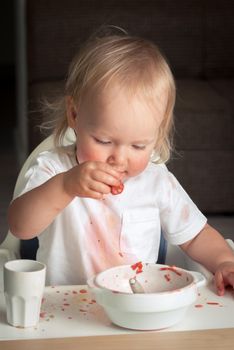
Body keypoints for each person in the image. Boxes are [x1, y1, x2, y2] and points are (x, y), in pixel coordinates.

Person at [8, 29, 234, 293]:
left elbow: (195, 235)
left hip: (136, 306)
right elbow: (20, 227)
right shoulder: (54, 168)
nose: (119, 158)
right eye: (104, 141)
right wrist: (65, 186)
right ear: (74, 115)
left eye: (139, 146)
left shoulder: (157, 181)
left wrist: (224, 261)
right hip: (65, 307)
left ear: (156, 135)